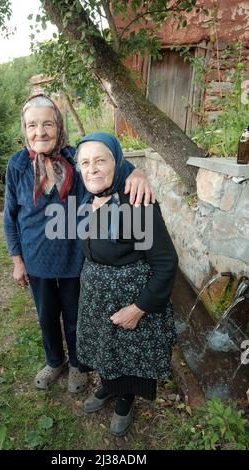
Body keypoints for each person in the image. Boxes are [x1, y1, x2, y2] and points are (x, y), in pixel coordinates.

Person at [3, 94, 154, 394]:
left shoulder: (76, 157)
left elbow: (108, 166)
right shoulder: (17, 164)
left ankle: (78, 364)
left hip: (75, 258)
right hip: (37, 260)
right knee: (46, 316)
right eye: (32, 125)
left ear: (59, 127)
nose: (40, 132)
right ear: (24, 128)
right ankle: (54, 360)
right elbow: (10, 216)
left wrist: (137, 172)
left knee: (75, 316)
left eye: (48, 123)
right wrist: (17, 260)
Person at [75, 132, 178, 436]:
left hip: (130, 300)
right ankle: (108, 388)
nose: (92, 168)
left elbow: (166, 263)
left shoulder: (137, 203)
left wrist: (138, 309)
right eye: (85, 163)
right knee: (106, 349)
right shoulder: (85, 201)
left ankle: (125, 400)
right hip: (96, 298)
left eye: (100, 160)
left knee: (128, 354)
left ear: (118, 162)